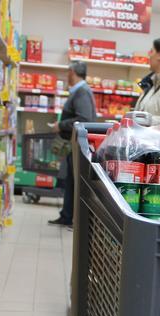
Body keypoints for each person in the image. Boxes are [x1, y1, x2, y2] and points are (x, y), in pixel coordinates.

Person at [48, 60, 97, 227]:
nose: (66, 75)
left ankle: (73, 218)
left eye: (68, 72)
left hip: (77, 145)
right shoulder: (79, 91)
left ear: (72, 72)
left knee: (74, 181)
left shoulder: (82, 92)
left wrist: (61, 125)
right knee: (70, 181)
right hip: (74, 143)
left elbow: (84, 118)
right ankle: (67, 215)